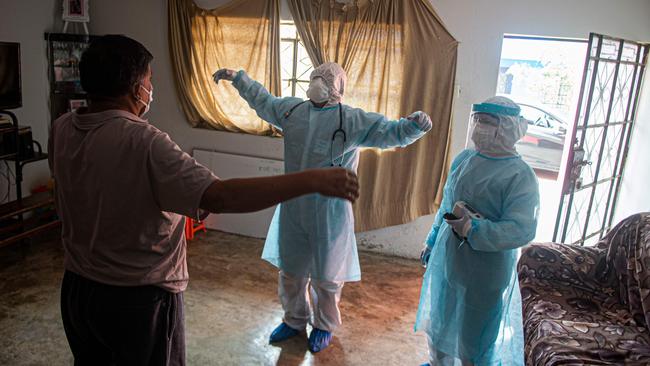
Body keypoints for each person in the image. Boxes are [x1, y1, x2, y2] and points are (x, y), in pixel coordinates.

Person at [49, 35, 359, 366]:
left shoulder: (63, 127)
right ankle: (296, 318)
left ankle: (321, 323)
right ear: (135, 87)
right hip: (136, 300)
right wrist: (311, 179)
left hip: (78, 290)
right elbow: (220, 196)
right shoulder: (144, 142)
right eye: (149, 80)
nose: (151, 89)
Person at [214, 62, 433, 353]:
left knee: (326, 277)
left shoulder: (352, 120)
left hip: (330, 213)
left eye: (324, 80)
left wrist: (414, 126)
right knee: (291, 271)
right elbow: (262, 101)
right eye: (315, 77)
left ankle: (323, 325)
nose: (317, 83)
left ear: (337, 89)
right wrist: (238, 79)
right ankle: (294, 320)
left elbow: (389, 132)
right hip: (294, 206)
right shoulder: (292, 111)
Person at [415, 96, 539, 366]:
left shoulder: (520, 175)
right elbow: (447, 203)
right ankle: (438, 363)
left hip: (486, 269)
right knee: (440, 320)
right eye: (478, 120)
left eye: (488, 122)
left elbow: (522, 229)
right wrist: (433, 239)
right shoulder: (465, 158)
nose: (480, 126)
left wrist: (475, 229)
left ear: (507, 127)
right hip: (449, 257)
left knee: (476, 334)